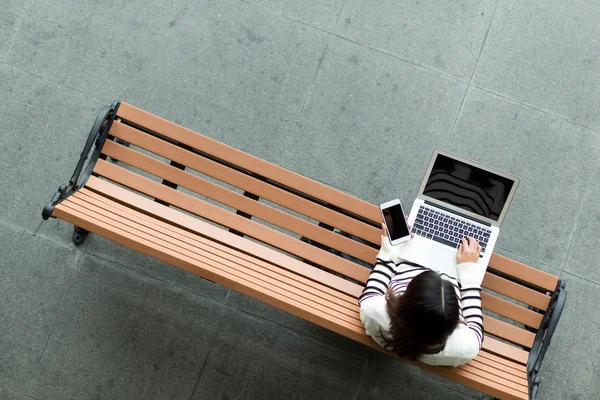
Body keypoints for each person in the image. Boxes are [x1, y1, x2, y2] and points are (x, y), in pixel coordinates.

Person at [359, 222, 486, 367]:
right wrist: (468, 271)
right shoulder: (463, 348)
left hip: (408, 262)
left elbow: (372, 292)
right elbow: (475, 327)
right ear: (453, 325)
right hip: (457, 271)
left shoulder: (374, 313)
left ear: (403, 303)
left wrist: (390, 250)